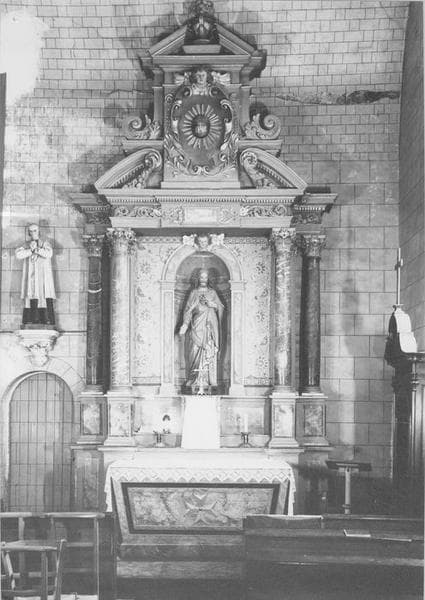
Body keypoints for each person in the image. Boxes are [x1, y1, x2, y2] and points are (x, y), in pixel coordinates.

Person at [179, 269, 224, 394]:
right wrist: (185, 324)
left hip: (210, 326)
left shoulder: (213, 293)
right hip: (197, 325)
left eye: (205, 277)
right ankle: (193, 379)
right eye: (201, 277)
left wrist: (213, 304)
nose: (203, 279)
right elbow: (188, 310)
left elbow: (220, 307)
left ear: (208, 279)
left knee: (209, 349)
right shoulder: (194, 293)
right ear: (198, 279)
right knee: (194, 351)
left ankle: (210, 380)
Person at [15, 223, 56, 326]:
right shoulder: (26, 244)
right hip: (31, 277)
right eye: (31, 231)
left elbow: (49, 253)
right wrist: (30, 250)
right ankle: (31, 321)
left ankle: (46, 320)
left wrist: (36, 250)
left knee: (43, 295)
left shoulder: (45, 243)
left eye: (35, 230)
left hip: (43, 277)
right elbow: (18, 254)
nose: (33, 233)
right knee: (31, 294)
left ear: (39, 231)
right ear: (28, 233)